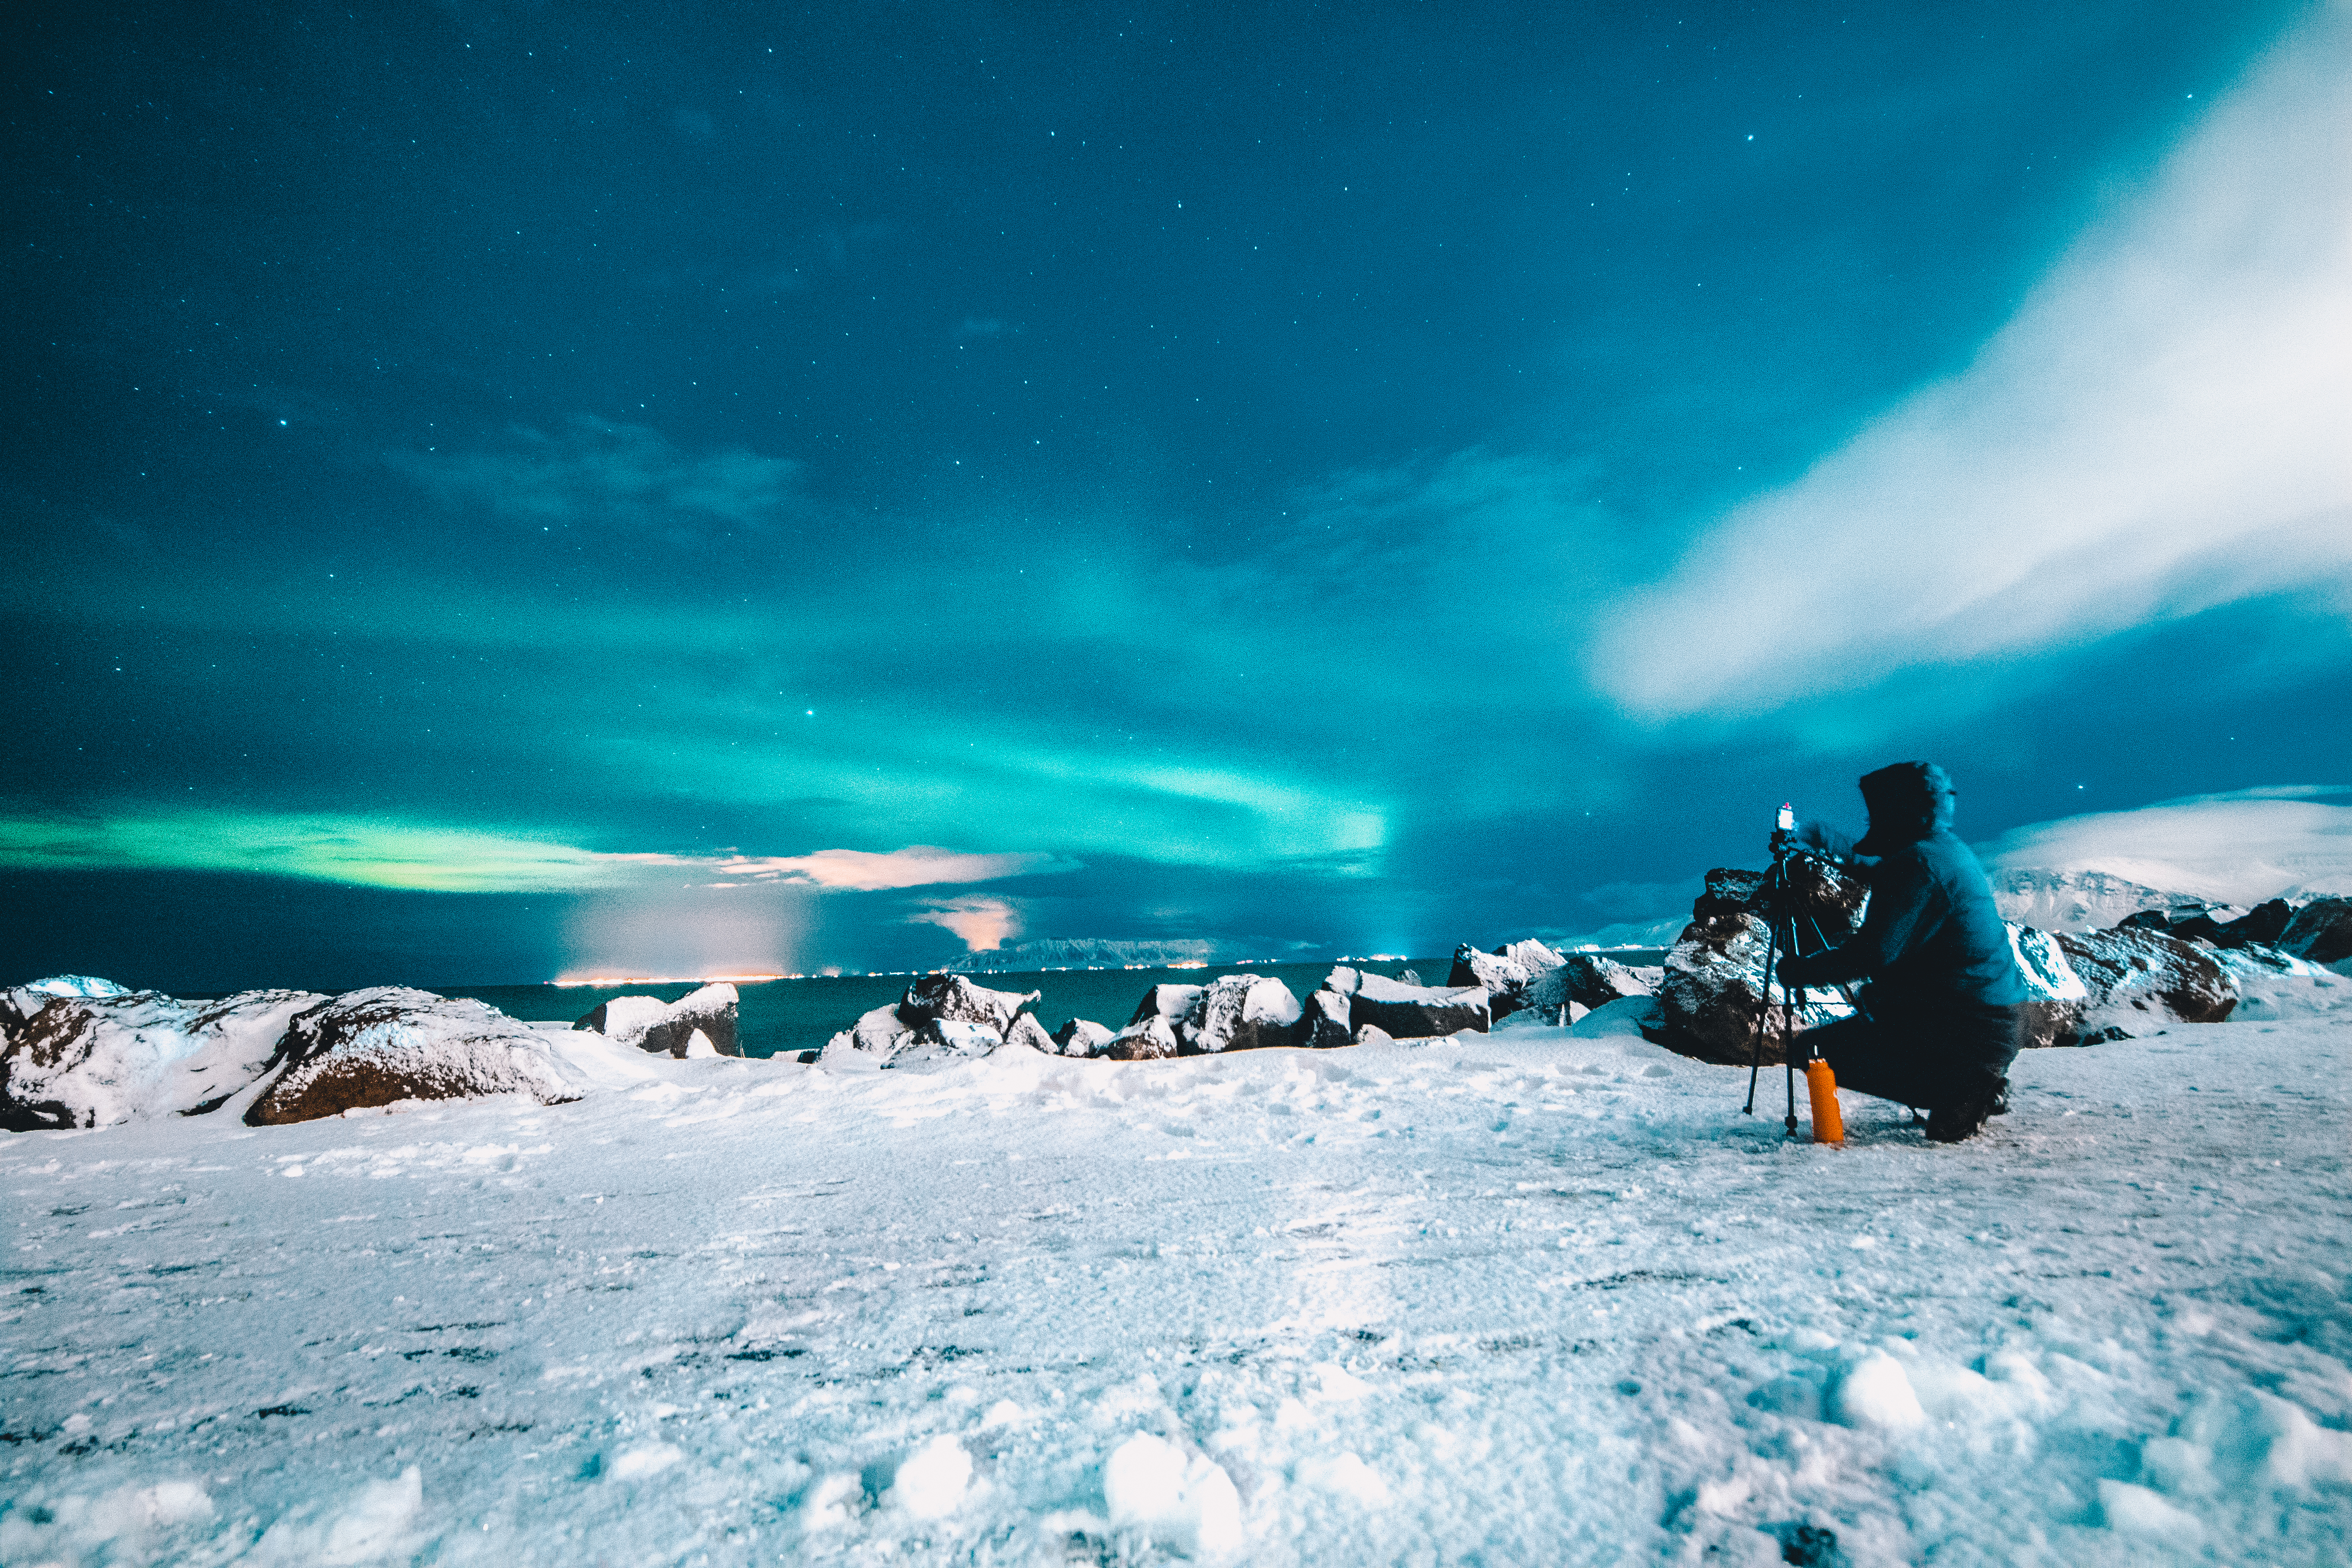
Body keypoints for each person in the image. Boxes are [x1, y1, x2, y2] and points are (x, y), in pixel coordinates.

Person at [1777, 762, 2023, 1143]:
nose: (1870, 818)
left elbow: (1874, 954)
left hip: (1971, 1026)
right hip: (1988, 1018)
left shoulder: (1919, 864)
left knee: (1812, 1050)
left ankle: (1966, 1086)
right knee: (1879, 1003)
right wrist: (1834, 845)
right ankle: (1969, 1079)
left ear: (1898, 809)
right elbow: (1886, 874)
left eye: (1877, 810)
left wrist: (1798, 972)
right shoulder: (1940, 850)